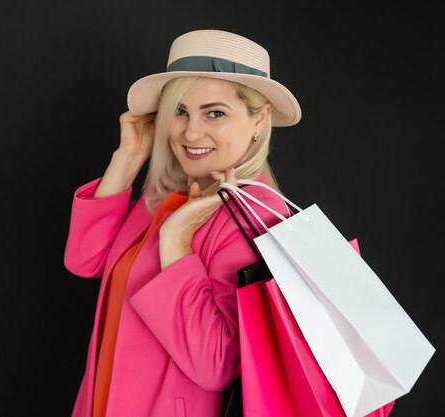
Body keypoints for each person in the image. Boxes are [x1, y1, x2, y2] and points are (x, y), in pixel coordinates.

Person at [63, 29, 301, 417]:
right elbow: (84, 260)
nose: (191, 132)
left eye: (215, 113)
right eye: (179, 111)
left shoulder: (256, 214)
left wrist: (175, 245)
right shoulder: (170, 192)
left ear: (259, 119)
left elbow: (216, 365)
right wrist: (126, 158)